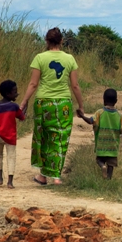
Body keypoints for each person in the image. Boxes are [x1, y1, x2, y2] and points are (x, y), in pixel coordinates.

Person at [20, 27, 85, 185]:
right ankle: (56, 176)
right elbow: (75, 85)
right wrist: (81, 106)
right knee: (60, 138)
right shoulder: (69, 59)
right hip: (63, 103)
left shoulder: (40, 58)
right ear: (61, 41)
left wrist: (24, 101)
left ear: (46, 41)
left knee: (44, 137)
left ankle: (43, 175)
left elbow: (33, 83)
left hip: (43, 103)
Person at [0, 80, 26, 189]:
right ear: (8, 93)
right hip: (10, 137)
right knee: (11, 157)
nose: (17, 94)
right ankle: (10, 182)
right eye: (15, 92)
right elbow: (21, 117)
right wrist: (25, 108)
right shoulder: (13, 106)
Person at [78, 88, 122, 180]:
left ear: (103, 100)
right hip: (113, 146)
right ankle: (108, 179)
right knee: (111, 165)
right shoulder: (119, 115)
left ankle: (102, 166)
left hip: (101, 145)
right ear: (116, 101)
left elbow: (91, 121)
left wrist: (82, 116)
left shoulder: (100, 113)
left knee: (99, 160)